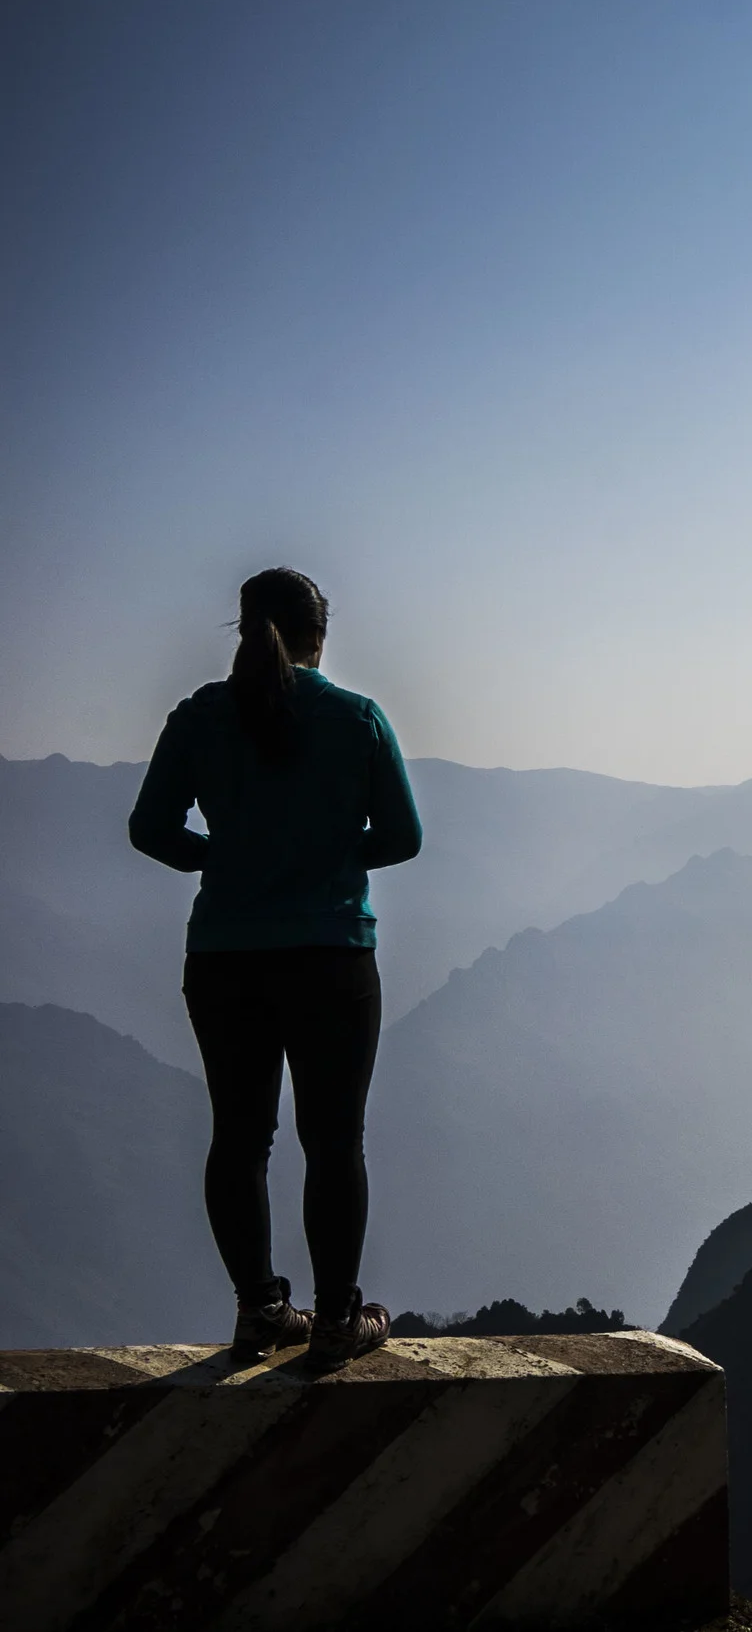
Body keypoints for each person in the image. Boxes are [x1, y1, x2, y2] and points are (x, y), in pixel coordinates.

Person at [129, 568, 421, 1372]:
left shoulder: (199, 717)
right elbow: (403, 837)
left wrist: (223, 858)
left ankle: (259, 1308)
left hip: (225, 959)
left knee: (238, 1135)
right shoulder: (357, 718)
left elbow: (150, 828)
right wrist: (329, 857)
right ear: (320, 635)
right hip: (332, 957)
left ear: (244, 628)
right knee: (334, 1140)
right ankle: (335, 1322)